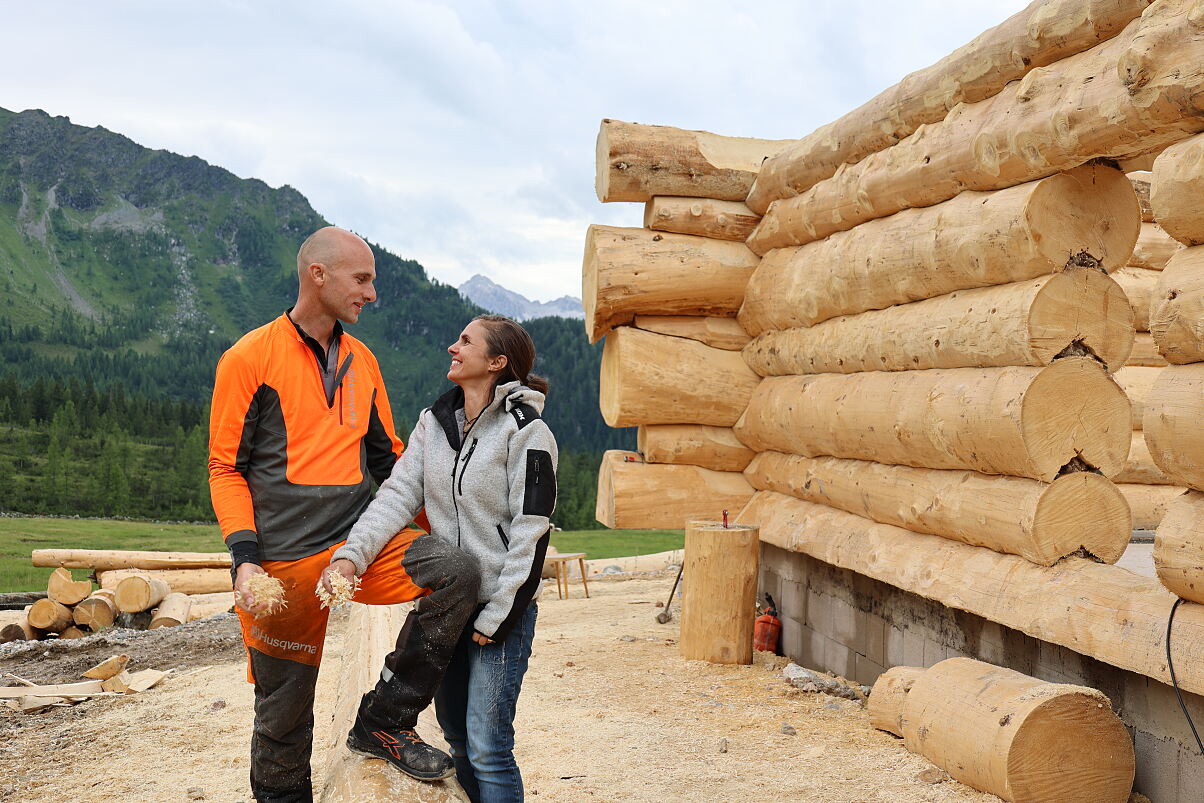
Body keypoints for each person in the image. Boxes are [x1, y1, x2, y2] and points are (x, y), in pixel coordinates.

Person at [208, 226, 481, 802]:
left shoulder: (364, 361)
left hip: (362, 545)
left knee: (456, 571)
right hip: (282, 568)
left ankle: (384, 720)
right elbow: (225, 469)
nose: (372, 293)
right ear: (318, 276)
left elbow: (393, 463)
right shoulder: (248, 358)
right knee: (283, 720)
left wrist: (454, 526)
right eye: (362, 280)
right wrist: (245, 561)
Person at [325, 313, 557, 802]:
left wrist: (499, 615)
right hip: (448, 608)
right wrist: (351, 557)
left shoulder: (528, 432)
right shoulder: (435, 423)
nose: (453, 348)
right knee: (457, 740)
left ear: (497, 362)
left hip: (499, 612)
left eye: (466, 342)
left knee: (489, 746)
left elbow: (532, 532)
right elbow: (395, 497)